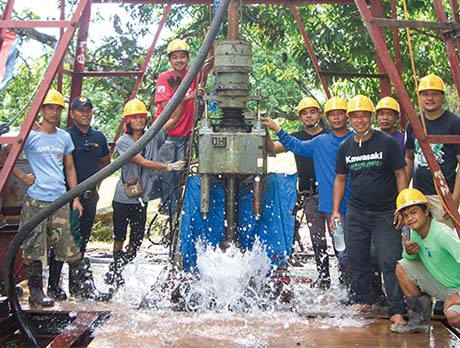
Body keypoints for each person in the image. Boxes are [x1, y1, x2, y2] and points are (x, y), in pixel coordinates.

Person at [1, 89, 105, 306]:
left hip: (59, 199)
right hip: (36, 200)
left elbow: (69, 167)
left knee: (69, 245)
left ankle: (83, 289)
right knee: (33, 246)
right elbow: (5, 153)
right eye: (50, 107)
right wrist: (22, 176)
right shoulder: (30, 135)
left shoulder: (64, 137)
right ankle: (37, 293)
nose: (54, 112)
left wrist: (74, 197)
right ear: (42, 109)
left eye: (57, 108)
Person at [331, 94, 408, 324]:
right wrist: (336, 211)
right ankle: (362, 299)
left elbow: (400, 174)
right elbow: (340, 179)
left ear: (370, 117)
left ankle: (396, 308)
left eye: (363, 116)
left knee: (390, 258)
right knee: (357, 257)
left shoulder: (387, 143)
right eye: (355, 117)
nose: (359, 121)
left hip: (386, 212)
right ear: (349, 119)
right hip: (356, 212)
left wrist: (401, 205)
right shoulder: (346, 146)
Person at [263, 96, 352, 289]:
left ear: (320, 114)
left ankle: (346, 279)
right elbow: (272, 148)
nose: (309, 116)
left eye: (312, 112)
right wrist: (266, 129)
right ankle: (324, 278)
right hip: (310, 194)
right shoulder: (298, 138)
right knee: (317, 239)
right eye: (305, 113)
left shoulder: (331, 137)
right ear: (300, 117)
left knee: (339, 238)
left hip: (333, 195)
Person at [104, 98, 186, 288]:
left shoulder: (152, 137)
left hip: (141, 199)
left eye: (142, 117)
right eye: (135, 118)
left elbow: (173, 119)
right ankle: (115, 268)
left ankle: (120, 267)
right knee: (119, 237)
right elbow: (141, 161)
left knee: (136, 241)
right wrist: (169, 166)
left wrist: (183, 97)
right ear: (128, 121)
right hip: (123, 199)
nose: (139, 121)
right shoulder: (124, 141)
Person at [46, 96, 112, 302]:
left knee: (82, 241)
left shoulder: (99, 137)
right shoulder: (65, 136)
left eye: (88, 110)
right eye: (81, 110)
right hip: (67, 197)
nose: (85, 114)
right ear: (72, 113)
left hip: (90, 198)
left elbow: (105, 161)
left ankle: (76, 286)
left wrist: (94, 185)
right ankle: (53, 285)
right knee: (61, 241)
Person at [390, 188, 460, 333]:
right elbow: (411, 263)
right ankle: (419, 321)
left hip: (457, 288)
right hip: (441, 285)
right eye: (405, 215)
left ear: (426, 211)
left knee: (454, 316)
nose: (410, 218)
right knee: (402, 266)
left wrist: (458, 297)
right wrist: (409, 252)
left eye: (414, 212)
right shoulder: (415, 233)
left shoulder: (442, 233)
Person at [153, 38, 207, 215]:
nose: (179, 60)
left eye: (182, 56)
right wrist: (190, 96)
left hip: (185, 134)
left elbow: (208, 65)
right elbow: (167, 105)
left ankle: (178, 213)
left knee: (181, 175)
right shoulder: (164, 78)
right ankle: (170, 212)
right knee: (168, 175)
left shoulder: (193, 75)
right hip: (167, 135)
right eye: (174, 57)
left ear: (188, 58)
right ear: (170, 60)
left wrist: (210, 42)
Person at [405, 74, 460, 228]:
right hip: (418, 195)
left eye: (435, 94)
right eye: (425, 94)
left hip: (443, 195)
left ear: (442, 97)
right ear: (419, 97)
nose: (430, 98)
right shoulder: (413, 124)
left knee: (445, 239)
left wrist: (454, 199)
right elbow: (409, 158)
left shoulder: (454, 123)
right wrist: (405, 193)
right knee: (420, 240)